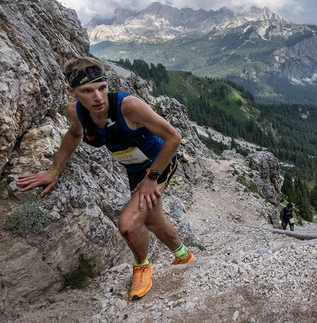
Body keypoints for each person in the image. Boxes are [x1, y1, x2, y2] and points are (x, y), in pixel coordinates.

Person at [15, 57, 195, 301]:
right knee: (152, 220)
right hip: (134, 170)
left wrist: (152, 178)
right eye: (87, 91)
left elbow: (174, 138)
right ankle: (184, 256)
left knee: (129, 224)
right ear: (72, 91)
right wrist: (54, 170)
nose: (97, 97)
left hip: (157, 164)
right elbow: (74, 134)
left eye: (102, 87)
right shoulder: (76, 112)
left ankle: (142, 266)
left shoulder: (129, 106)